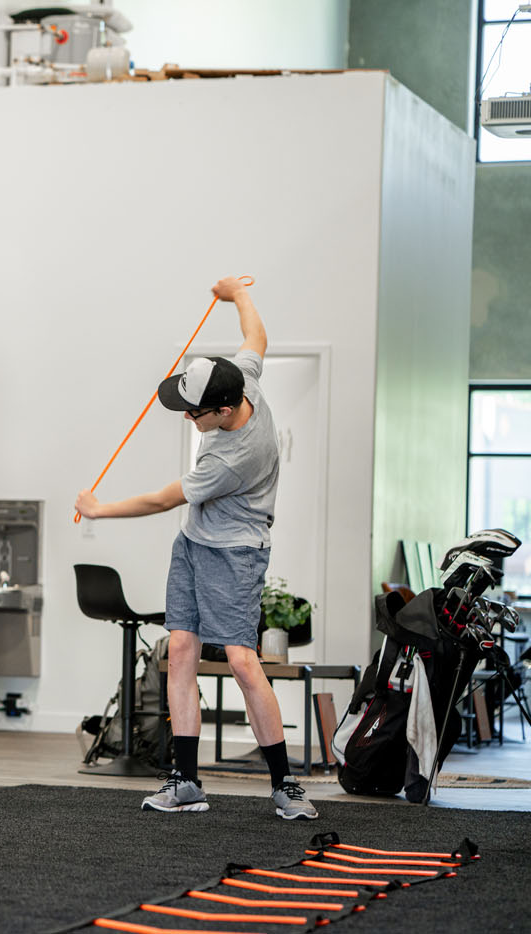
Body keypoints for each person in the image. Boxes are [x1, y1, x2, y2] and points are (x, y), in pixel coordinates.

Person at [75, 277, 319, 822]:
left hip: (235, 555)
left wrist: (100, 509)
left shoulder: (231, 458)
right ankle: (185, 781)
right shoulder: (244, 380)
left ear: (226, 411)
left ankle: (285, 786)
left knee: (241, 660)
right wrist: (238, 295)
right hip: (194, 542)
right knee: (180, 650)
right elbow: (255, 336)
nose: (188, 417)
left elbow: (162, 498)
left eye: (194, 412)